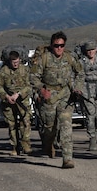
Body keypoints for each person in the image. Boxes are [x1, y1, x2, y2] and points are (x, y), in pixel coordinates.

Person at [30, 31, 85, 169]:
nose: (59, 48)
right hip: (48, 97)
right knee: (49, 128)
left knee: (66, 125)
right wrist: (42, 89)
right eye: (56, 45)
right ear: (51, 45)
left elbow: (80, 72)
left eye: (62, 45)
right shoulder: (44, 58)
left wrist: (78, 88)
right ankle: (48, 145)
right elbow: (33, 77)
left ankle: (67, 158)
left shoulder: (69, 57)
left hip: (65, 95)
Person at [0, 50, 33, 156]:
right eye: (13, 62)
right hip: (9, 101)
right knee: (12, 125)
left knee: (26, 122)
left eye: (17, 61)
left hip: (22, 100)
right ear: (10, 61)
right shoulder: (4, 71)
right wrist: (6, 96)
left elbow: (29, 85)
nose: (15, 64)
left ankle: (25, 143)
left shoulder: (24, 70)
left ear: (19, 60)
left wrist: (19, 94)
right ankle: (15, 147)